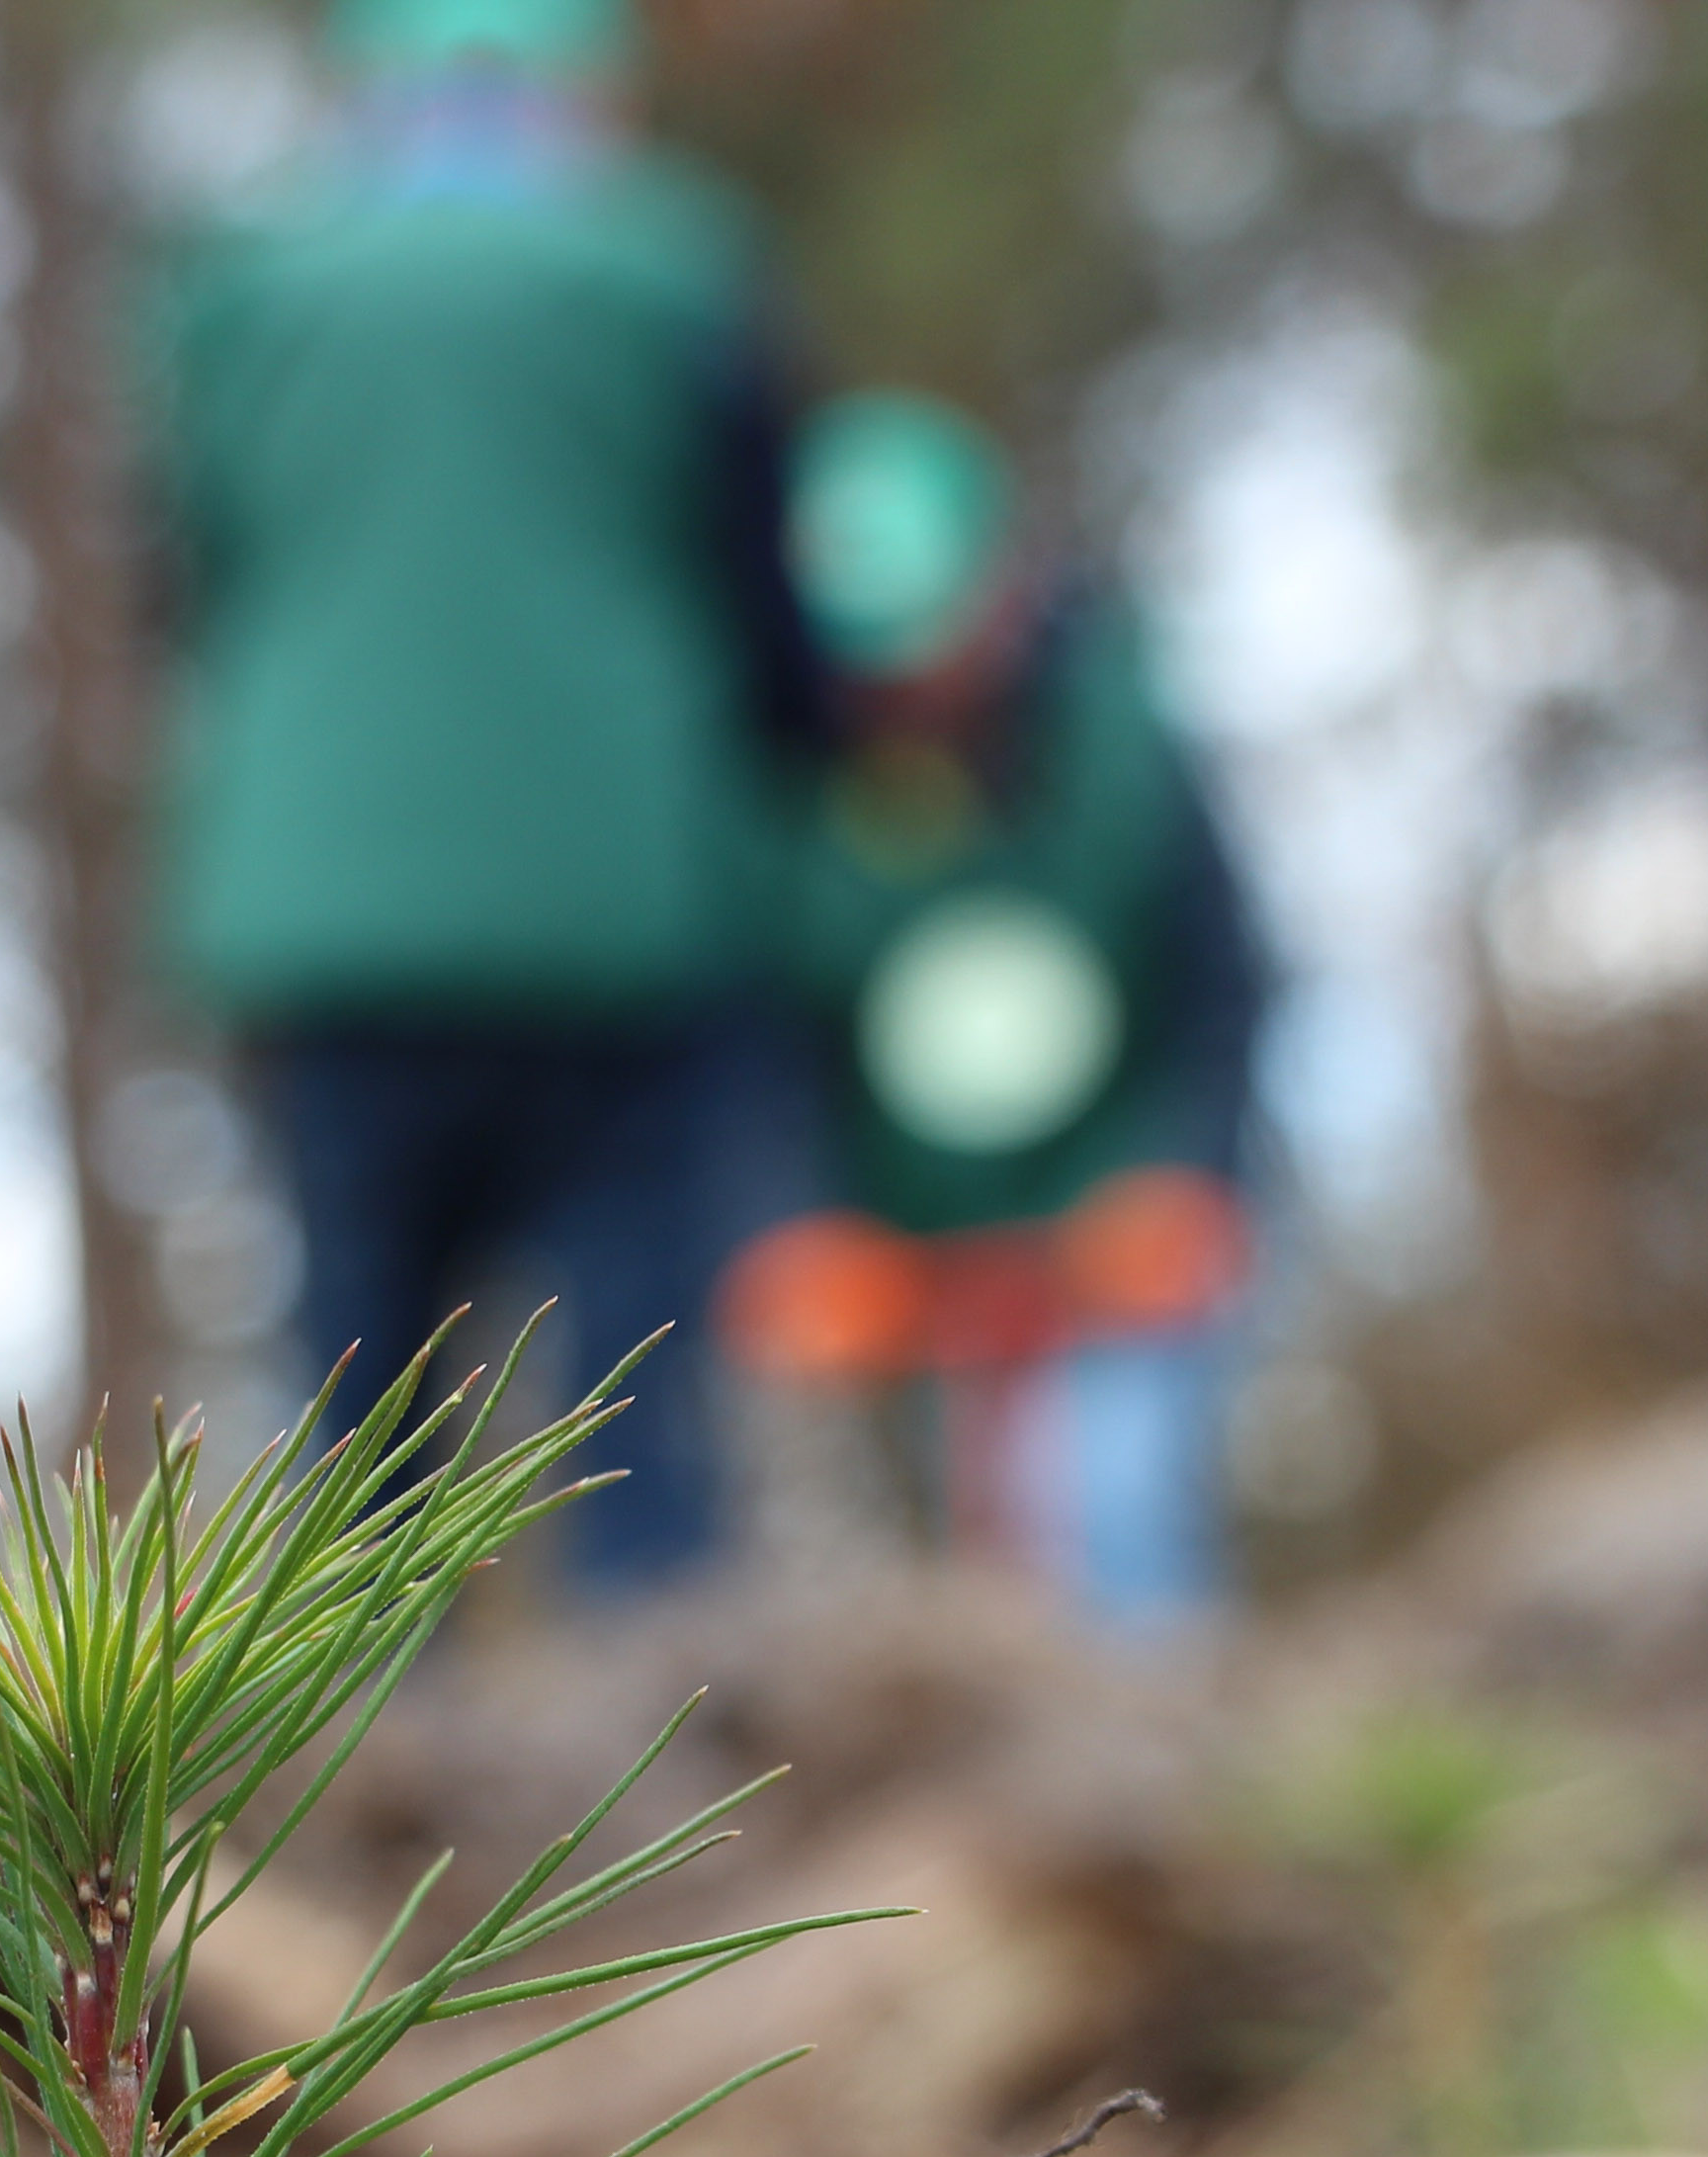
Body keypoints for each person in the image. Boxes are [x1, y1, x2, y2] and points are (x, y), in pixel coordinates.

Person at [144, 0, 819, 1590]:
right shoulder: (669, 268)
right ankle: (671, 1783)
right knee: (641, 1394)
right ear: (583, 92)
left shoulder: (246, 296)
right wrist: (800, 790)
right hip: (621, 904)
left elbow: (189, 579)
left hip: (328, 919)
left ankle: (351, 1780)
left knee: (362, 1390)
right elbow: (765, 605)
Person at [716, 390, 1270, 1635]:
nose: (905, 683)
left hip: (1113, 1223)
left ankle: (1163, 1773)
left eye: (931, 638)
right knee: (855, 1567)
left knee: (1123, 1507)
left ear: (1007, 585)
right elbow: (755, 1039)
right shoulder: (785, 780)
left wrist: (1189, 1173)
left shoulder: (1126, 740)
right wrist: (791, 1218)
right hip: (904, 1256)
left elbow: (1227, 987)